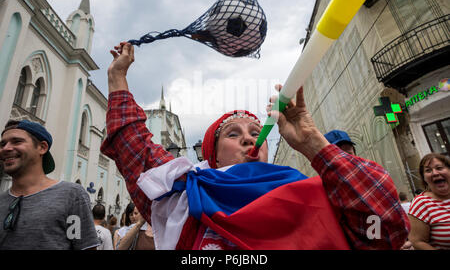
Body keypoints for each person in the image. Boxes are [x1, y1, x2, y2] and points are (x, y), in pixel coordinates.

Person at [100, 42, 409, 250]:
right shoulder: (185, 197)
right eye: (233, 134)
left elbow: (385, 230)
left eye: (255, 132)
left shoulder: (315, 193)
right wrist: (117, 78)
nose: (249, 138)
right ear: (214, 159)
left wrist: (313, 143)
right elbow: (134, 147)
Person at [0, 120, 99, 250]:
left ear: (42, 147)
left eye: (17, 141)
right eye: (3, 144)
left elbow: (84, 247)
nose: (6, 148)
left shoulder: (71, 195)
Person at [408, 153, 450, 250]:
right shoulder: (421, 203)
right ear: (424, 178)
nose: (435, 173)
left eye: (439, 168)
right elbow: (417, 242)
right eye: (428, 170)